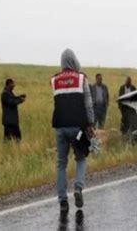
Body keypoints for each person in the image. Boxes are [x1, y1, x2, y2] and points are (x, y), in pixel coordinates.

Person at [51, 49, 94, 214]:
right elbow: (88, 104)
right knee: (81, 158)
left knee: (61, 163)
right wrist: (90, 124)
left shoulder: (54, 80)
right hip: (78, 127)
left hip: (60, 127)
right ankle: (78, 188)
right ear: (74, 60)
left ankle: (62, 201)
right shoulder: (81, 78)